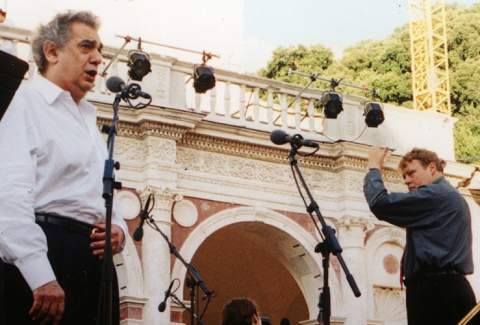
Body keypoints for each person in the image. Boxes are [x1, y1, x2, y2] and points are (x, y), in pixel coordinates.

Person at [0, 11, 127, 325]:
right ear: (51, 52)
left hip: (95, 266)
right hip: (48, 256)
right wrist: (39, 275)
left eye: (100, 50)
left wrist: (119, 230)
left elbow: (101, 192)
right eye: (86, 47)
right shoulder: (24, 102)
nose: (98, 59)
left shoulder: (87, 117)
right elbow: (9, 194)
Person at [363, 147, 478, 325]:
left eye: (411, 173)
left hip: (437, 291)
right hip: (442, 288)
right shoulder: (448, 197)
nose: (407, 181)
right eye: (404, 177)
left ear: (432, 168)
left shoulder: (436, 195)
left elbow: (380, 203)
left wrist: (374, 167)